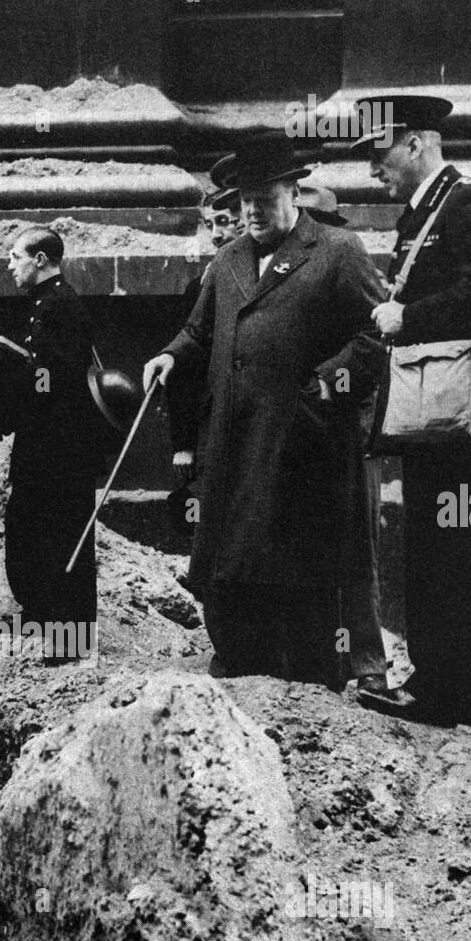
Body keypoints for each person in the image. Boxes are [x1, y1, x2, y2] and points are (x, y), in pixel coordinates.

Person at [142, 132, 386, 688]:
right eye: (243, 199)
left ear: (292, 192)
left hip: (302, 441)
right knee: (232, 555)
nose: (252, 210)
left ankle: (310, 681)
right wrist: (168, 357)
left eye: (263, 196)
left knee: (298, 560)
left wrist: (327, 386)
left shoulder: (336, 251)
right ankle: (238, 666)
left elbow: (373, 337)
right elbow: (197, 331)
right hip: (232, 437)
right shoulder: (228, 259)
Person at [351, 95, 471, 729]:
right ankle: (456, 689)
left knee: (449, 547)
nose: (375, 169)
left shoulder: (467, 200)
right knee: (437, 544)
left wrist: (409, 318)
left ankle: (457, 693)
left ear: (417, 142)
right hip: (434, 407)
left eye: (380, 152)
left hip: (457, 407)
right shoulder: (425, 210)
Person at [0, 226, 103, 660]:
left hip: (62, 446)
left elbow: (52, 379)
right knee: (31, 529)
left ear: (40, 259)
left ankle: (72, 638)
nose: (10, 265)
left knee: (64, 536)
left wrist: (5, 377)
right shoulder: (46, 304)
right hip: (44, 442)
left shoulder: (61, 306)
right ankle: (41, 612)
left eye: (15, 256)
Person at [299, 177, 389, 695]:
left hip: (350, 427)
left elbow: (375, 337)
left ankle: (366, 662)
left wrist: (330, 386)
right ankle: (322, 662)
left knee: (356, 545)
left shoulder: (347, 257)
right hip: (303, 427)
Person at [166, 184, 243, 485]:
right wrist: (184, 442)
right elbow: (184, 364)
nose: (214, 235)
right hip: (214, 428)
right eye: (210, 224)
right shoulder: (200, 287)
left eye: (223, 221)